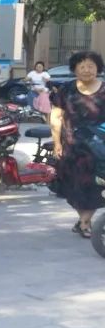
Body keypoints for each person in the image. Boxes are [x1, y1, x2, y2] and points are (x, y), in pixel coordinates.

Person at [50, 51, 105, 238]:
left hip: (100, 149)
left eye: (91, 66)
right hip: (72, 147)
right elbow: (56, 117)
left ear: (98, 68)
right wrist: (56, 142)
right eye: (82, 66)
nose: (86, 70)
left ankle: (84, 222)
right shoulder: (66, 90)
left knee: (97, 186)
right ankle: (84, 221)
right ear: (74, 69)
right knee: (74, 186)